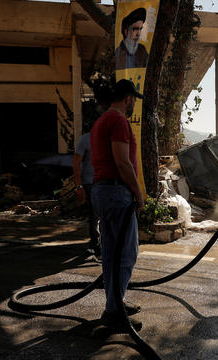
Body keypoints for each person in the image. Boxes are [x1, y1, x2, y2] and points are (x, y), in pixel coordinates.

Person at [90, 79, 145, 331]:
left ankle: (116, 302)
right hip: (116, 191)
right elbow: (123, 163)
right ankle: (114, 312)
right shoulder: (119, 121)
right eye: (133, 99)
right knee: (126, 253)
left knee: (111, 254)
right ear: (128, 98)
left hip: (102, 190)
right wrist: (138, 193)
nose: (133, 103)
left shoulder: (101, 121)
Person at [73, 128, 100, 259]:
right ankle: (95, 245)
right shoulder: (85, 139)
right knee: (94, 214)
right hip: (90, 182)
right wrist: (79, 185)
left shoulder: (110, 138)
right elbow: (76, 163)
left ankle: (98, 244)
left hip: (106, 182)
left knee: (101, 214)